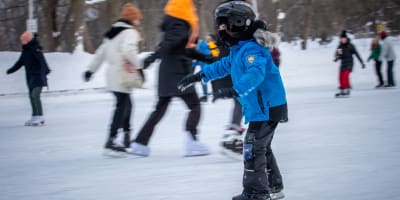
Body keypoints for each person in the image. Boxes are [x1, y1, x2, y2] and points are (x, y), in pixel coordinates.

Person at [178, 1, 287, 200]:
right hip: (263, 106)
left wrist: (233, 90)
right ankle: (273, 185)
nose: (221, 30)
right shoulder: (240, 49)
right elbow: (221, 66)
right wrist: (197, 77)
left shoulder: (253, 49)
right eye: (219, 25)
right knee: (262, 146)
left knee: (252, 146)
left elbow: (255, 75)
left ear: (238, 23)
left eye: (223, 25)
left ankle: (256, 192)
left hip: (267, 107)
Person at [129, 0, 210, 157]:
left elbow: (185, 50)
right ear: (184, 7)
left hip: (169, 72)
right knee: (195, 105)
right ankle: (191, 141)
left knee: (159, 110)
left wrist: (210, 59)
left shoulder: (176, 22)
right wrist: (151, 58)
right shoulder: (180, 23)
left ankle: (140, 143)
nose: (193, 8)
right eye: (190, 5)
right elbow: (169, 44)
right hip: (178, 72)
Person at [83, 3, 144, 154]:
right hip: (121, 74)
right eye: (138, 19)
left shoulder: (113, 32)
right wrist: (139, 67)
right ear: (133, 18)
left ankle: (126, 137)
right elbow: (128, 50)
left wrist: (91, 70)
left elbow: (100, 53)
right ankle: (112, 139)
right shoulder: (130, 32)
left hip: (112, 74)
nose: (139, 21)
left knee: (126, 104)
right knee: (122, 106)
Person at [6, 32, 50, 126]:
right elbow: (19, 63)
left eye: (24, 40)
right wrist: (10, 70)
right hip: (30, 77)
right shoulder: (25, 51)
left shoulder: (35, 49)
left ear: (28, 40)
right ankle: (35, 116)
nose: (22, 42)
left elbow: (42, 60)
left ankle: (40, 116)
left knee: (35, 95)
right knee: (31, 96)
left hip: (38, 75)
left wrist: (46, 70)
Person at [334, 30, 365, 97]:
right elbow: (339, 55)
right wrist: (336, 58)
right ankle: (342, 90)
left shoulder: (350, 45)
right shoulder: (340, 46)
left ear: (346, 38)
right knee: (340, 77)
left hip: (349, 63)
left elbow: (357, 54)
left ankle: (346, 90)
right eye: (341, 39)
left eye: (344, 39)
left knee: (345, 76)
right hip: (343, 63)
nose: (342, 40)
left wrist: (362, 62)